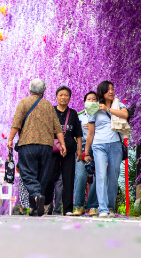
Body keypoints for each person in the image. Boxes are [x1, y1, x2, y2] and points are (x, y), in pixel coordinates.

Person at [6, 78, 66, 217]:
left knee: (27, 173)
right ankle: (34, 207)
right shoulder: (49, 106)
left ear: (29, 90)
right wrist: (62, 144)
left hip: (28, 144)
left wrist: (10, 139)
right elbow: (57, 129)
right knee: (42, 175)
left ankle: (37, 195)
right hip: (46, 146)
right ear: (44, 92)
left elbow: (16, 123)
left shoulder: (24, 103)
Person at [84, 81, 128, 217]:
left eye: (112, 89)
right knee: (101, 176)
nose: (111, 91)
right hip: (99, 146)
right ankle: (102, 209)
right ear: (101, 92)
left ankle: (110, 207)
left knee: (113, 176)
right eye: (108, 89)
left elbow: (125, 114)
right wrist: (86, 152)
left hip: (115, 145)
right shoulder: (94, 108)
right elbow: (91, 133)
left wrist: (107, 109)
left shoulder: (118, 105)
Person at [43, 86, 83, 215]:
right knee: (49, 178)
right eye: (61, 95)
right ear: (56, 97)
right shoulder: (50, 111)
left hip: (70, 150)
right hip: (53, 150)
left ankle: (67, 209)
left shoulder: (73, 113)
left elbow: (78, 133)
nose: (63, 97)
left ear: (70, 98)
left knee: (68, 179)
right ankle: (47, 204)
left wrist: (79, 150)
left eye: (66, 95)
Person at [68, 91, 99, 216]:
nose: (91, 101)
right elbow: (74, 135)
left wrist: (93, 128)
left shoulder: (100, 116)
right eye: (89, 99)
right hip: (81, 148)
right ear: (84, 102)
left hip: (97, 148)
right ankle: (79, 205)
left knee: (95, 178)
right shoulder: (78, 117)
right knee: (80, 176)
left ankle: (93, 206)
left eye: (94, 99)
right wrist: (79, 150)